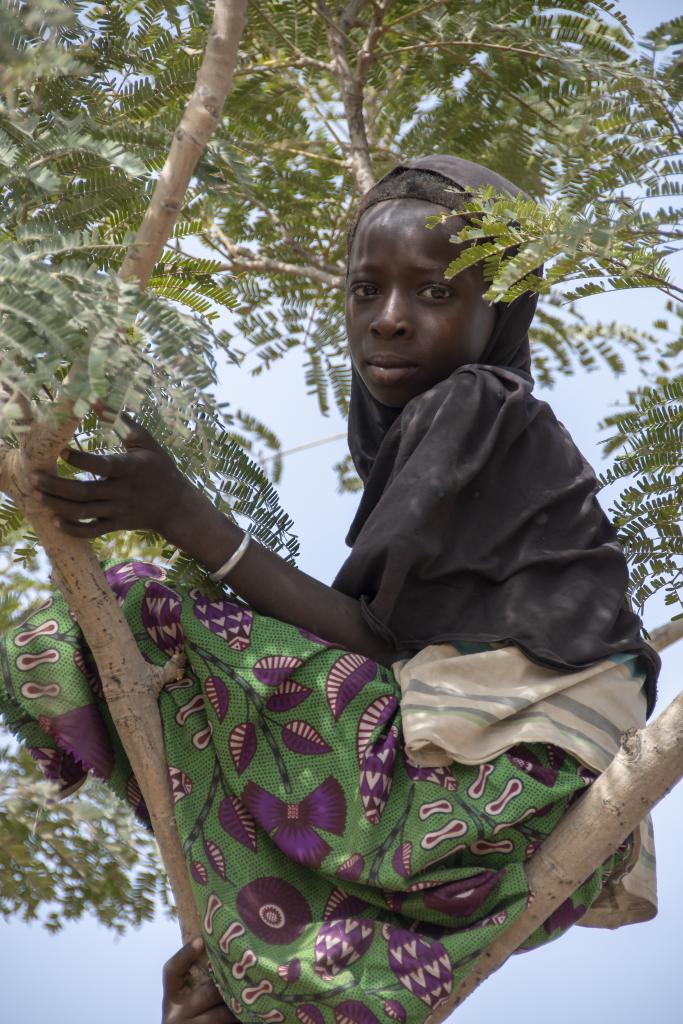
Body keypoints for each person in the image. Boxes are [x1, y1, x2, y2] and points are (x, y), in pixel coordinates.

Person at [0, 157, 660, 1024]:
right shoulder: (485, 434)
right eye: (364, 290)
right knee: (253, 987)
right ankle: (261, 968)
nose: (388, 321)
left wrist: (182, 515)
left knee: (138, 610)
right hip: (488, 866)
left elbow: (371, 643)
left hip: (466, 802)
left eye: (432, 294)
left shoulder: (476, 402)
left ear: (500, 307)